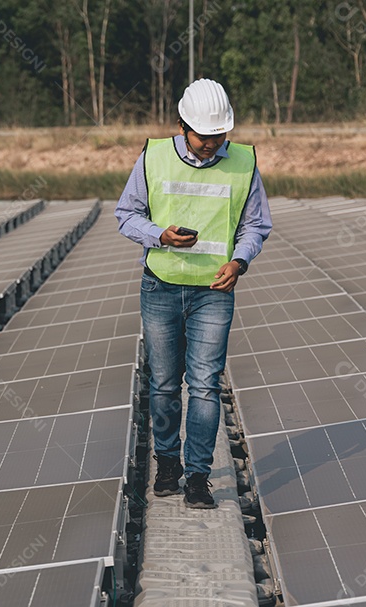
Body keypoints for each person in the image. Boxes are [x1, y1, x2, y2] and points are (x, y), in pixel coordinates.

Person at [114, 78, 272, 509]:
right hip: (161, 285)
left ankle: (198, 477)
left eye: (221, 135)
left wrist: (239, 262)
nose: (213, 144)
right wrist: (158, 235)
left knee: (204, 385)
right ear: (183, 126)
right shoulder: (154, 157)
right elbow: (126, 215)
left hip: (213, 293)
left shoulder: (243, 162)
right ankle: (167, 463)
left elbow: (255, 224)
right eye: (206, 136)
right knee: (164, 385)